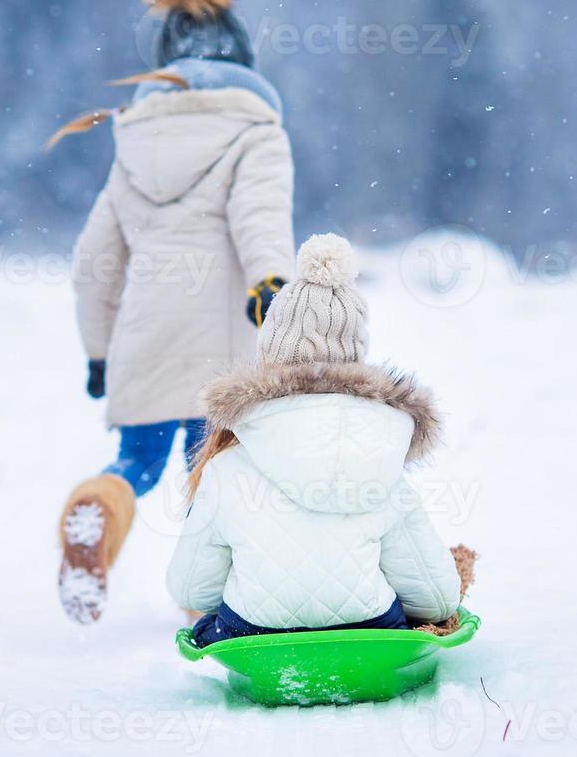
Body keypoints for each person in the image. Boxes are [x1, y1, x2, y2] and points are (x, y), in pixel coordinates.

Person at [53, 0, 295, 624]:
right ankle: (215, 605)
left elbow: (93, 263)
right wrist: (271, 283)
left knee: (136, 463)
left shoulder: (133, 140)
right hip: (223, 343)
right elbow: (260, 218)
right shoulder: (257, 131)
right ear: (244, 58)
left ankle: (99, 507)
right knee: (216, 475)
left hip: (145, 339)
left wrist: (99, 353)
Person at [167, 234, 463, 646]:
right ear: (356, 355)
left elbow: (190, 591)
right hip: (368, 631)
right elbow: (436, 597)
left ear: (270, 352)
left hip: (255, 633)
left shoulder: (226, 465)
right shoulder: (385, 455)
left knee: (209, 625)